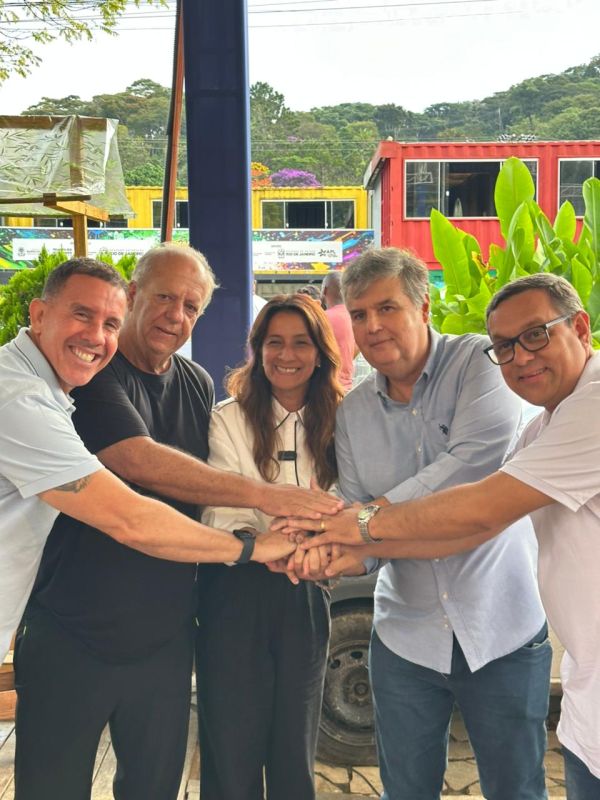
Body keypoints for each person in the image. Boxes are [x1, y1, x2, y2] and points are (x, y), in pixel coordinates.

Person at [13, 247, 340, 800]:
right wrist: (261, 514)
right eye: (164, 296)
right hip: (74, 629)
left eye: (191, 306)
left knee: (156, 786)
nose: (175, 315)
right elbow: (137, 463)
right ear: (134, 294)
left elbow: (202, 489)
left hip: (165, 638)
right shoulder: (90, 372)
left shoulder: (193, 380)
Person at [297, 272, 600, 799]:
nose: (520, 357)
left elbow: (475, 502)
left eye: (536, 335)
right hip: (409, 637)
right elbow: (453, 531)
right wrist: (338, 554)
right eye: (359, 314)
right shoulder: (540, 428)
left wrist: (362, 523)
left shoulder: (486, 366)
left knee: (516, 788)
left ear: (423, 307)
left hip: (502, 629)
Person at [0, 256, 294, 668]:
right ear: (39, 314)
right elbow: (130, 512)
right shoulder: (20, 397)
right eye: (81, 315)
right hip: (75, 627)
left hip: (163, 627)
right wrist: (253, 542)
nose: (95, 336)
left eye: (110, 324)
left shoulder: (53, 387)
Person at [195, 294, 344, 800]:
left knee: (294, 745)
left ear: (320, 352)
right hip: (234, 589)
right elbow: (220, 508)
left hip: (306, 588)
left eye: (301, 343)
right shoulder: (228, 418)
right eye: (274, 342)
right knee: (230, 744)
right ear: (257, 350)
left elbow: (347, 500)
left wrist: (310, 541)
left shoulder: (343, 419)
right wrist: (270, 540)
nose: (287, 355)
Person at [321, 270, 358, 390]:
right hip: (347, 388)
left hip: (325, 388)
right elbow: (354, 350)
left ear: (324, 290)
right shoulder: (356, 318)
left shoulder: (321, 319)